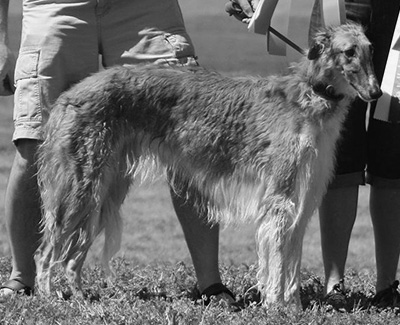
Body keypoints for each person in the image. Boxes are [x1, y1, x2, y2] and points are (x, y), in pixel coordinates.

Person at [0, 0, 234, 304]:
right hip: (56, 6)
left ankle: (210, 285)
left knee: (188, 147)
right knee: (36, 140)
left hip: (147, 12)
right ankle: (22, 279)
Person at [228, 0, 400, 308]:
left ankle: (388, 286)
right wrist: (264, 10)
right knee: (337, 159)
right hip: (342, 7)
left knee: (393, 155)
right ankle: (335, 284)